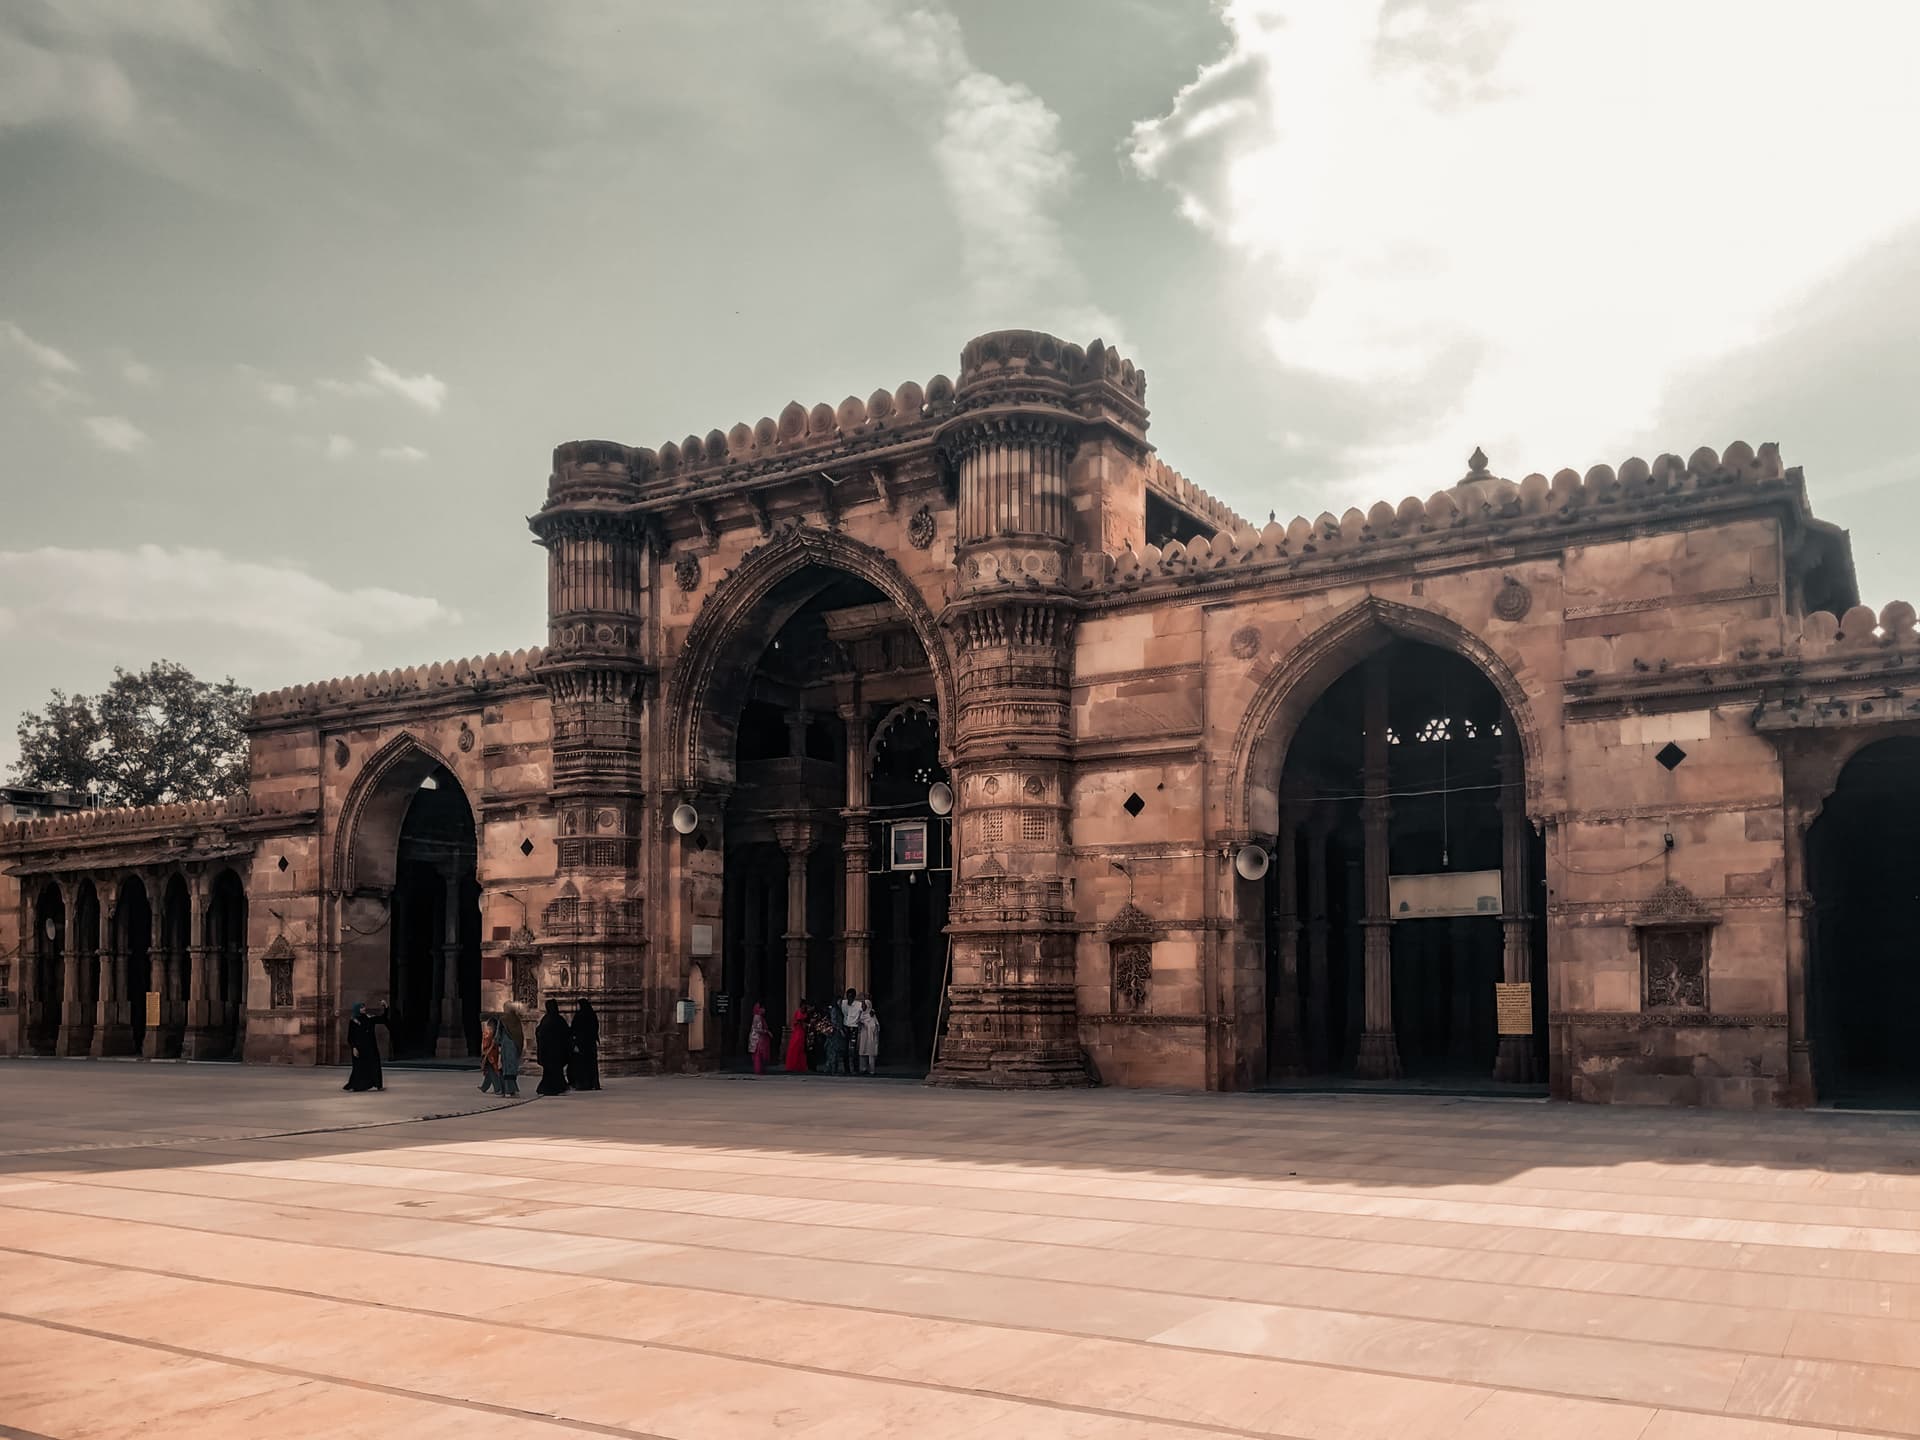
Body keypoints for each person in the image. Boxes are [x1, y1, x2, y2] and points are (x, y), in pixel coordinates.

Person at [342, 1003, 387, 1092]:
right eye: (362, 1007)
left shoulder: (369, 1018)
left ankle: (378, 1085)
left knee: (374, 1065)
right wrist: (354, 1047)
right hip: (359, 1047)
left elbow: (382, 1019)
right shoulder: (354, 1020)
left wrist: (386, 1007)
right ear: (357, 1009)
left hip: (371, 1047)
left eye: (364, 1007)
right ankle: (356, 1085)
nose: (364, 1008)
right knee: (358, 1067)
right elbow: (350, 1036)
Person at [536, 998, 572, 1095]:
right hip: (558, 1053)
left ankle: (548, 1088)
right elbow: (567, 1034)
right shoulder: (559, 1020)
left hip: (548, 1053)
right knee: (557, 1071)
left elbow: (539, 1033)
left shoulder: (545, 1020)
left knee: (549, 1072)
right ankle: (557, 1088)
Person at [568, 999, 601, 1092]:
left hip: (581, 1044)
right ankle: (593, 1083)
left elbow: (574, 1029)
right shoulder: (592, 1014)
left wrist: (574, 1042)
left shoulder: (579, 1016)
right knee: (591, 1064)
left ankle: (582, 1083)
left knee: (581, 1064)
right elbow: (595, 1027)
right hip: (590, 1044)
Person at [499, 1001, 526, 1097]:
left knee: (505, 1068)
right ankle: (512, 1089)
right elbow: (520, 1035)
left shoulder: (503, 1020)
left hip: (506, 1047)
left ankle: (506, 1090)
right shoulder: (516, 1020)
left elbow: (498, 1035)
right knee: (512, 1068)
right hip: (515, 1046)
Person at [839, 988, 866, 1076]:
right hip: (846, 1027)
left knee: (853, 1050)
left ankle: (855, 1069)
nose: (849, 998)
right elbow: (836, 1003)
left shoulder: (858, 1004)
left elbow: (865, 1008)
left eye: (851, 996)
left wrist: (863, 1000)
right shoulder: (844, 1003)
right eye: (848, 996)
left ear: (854, 997)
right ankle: (847, 1069)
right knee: (845, 1050)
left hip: (854, 1027)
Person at [857, 992, 880, 1076]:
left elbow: (875, 1026)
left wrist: (867, 1025)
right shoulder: (861, 1015)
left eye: (864, 1006)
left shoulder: (872, 1016)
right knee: (862, 1051)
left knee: (870, 1052)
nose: (863, 1007)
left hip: (870, 1037)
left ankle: (871, 1070)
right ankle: (862, 1069)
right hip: (863, 1035)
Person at [479, 1015, 503, 1094]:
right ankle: (484, 1087)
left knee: (491, 1071)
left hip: (489, 1054)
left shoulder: (488, 1033)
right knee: (490, 1071)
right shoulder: (495, 1033)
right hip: (493, 1053)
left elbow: (486, 1044)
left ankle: (497, 1088)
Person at [748, 1002, 773, 1075]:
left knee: (761, 1055)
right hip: (757, 1039)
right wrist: (767, 1032)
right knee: (758, 1055)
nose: (764, 1010)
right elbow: (758, 1029)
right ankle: (758, 1070)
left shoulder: (760, 1017)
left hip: (759, 1038)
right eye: (763, 1008)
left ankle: (760, 1069)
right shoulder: (757, 1017)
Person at [784, 1003, 809, 1072]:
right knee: (795, 1048)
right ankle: (793, 1065)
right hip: (798, 1032)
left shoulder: (804, 1012)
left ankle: (800, 1066)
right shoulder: (798, 1012)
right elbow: (797, 1021)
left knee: (801, 1050)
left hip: (801, 1032)